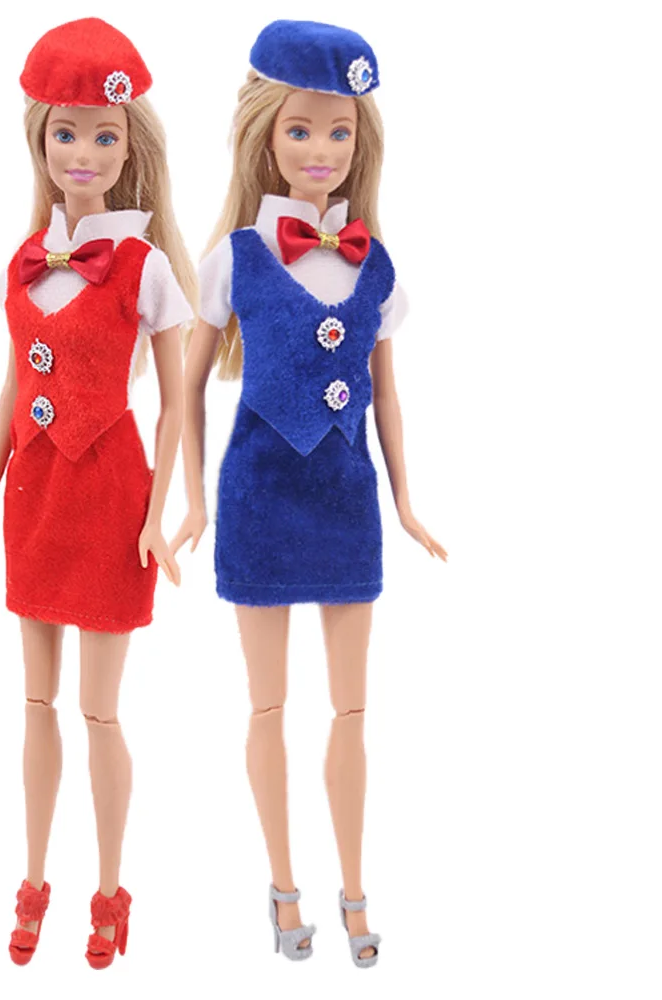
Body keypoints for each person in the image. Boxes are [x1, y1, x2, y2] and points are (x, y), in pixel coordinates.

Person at [172, 19, 447, 968]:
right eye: (300, 130)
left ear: (362, 141)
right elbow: (186, 389)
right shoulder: (235, 256)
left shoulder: (376, 265)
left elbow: (388, 396)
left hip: (347, 502)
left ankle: (356, 889)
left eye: (339, 131)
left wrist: (407, 501)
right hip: (256, 499)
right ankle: (283, 887)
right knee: (268, 708)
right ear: (264, 135)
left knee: (351, 711)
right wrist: (192, 502)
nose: (321, 150)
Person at [0, 17, 194, 970]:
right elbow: (14, 382)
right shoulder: (24, 258)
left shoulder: (144, 266)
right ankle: (32, 878)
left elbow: (175, 405)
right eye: (66, 132)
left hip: (112, 500)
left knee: (100, 710)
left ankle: (110, 887)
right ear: (40, 140)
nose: (83, 152)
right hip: (34, 494)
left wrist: (161, 516)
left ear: (130, 148)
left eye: (103, 135)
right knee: (35, 702)